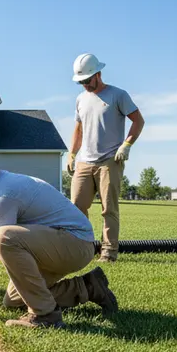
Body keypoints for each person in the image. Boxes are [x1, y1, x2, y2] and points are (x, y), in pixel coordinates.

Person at [0, 143, 118, 329]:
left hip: (75, 243)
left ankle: (46, 315)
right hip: (64, 243)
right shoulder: (4, 185)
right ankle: (89, 287)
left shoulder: (3, 196)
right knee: (15, 300)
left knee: (3, 237)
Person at [67, 53, 145, 263]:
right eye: (81, 82)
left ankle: (108, 253)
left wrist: (127, 145)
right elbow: (79, 128)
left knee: (108, 208)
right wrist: (72, 153)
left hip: (110, 160)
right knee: (76, 208)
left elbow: (138, 121)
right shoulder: (81, 99)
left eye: (87, 80)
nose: (84, 85)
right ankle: (80, 249)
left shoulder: (118, 95)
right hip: (84, 161)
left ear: (98, 74)